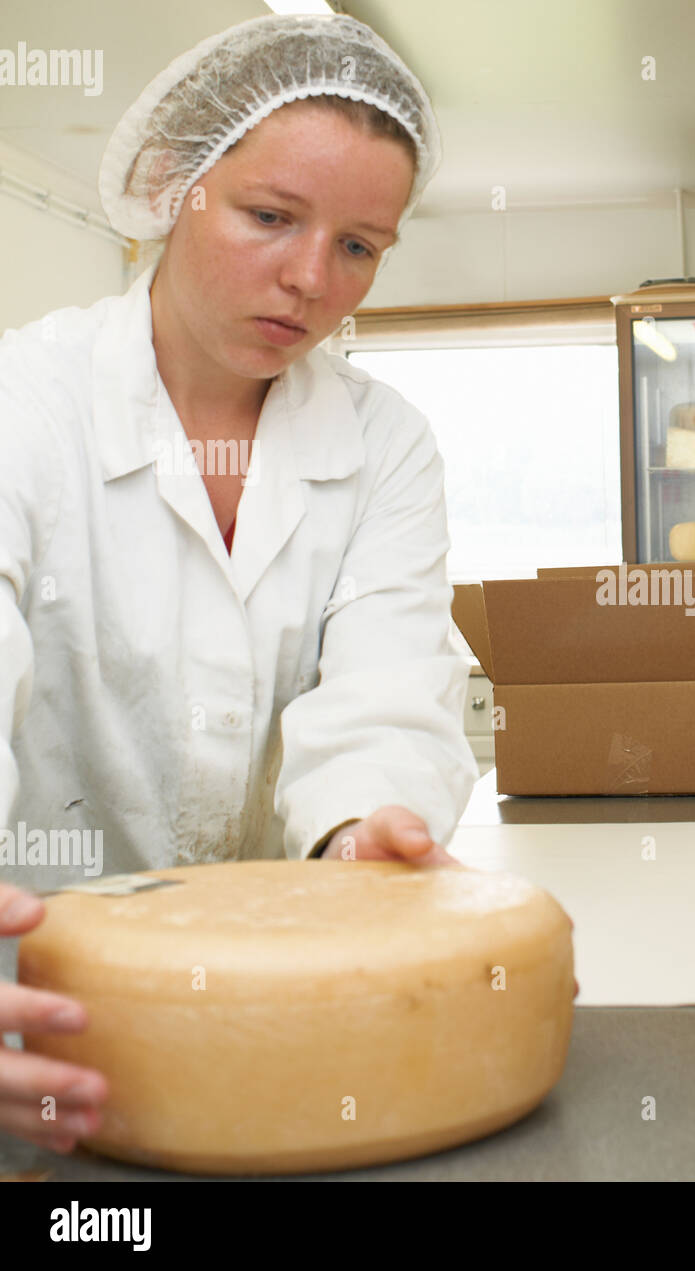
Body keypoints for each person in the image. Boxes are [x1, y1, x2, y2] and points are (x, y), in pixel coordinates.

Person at [0, 14, 559, 1160]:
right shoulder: (24, 408)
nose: (311, 279)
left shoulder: (382, 443)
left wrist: (366, 829)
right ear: (173, 185)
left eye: (361, 245)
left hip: (290, 998)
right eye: (269, 217)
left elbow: (389, 678)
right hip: (33, 1012)